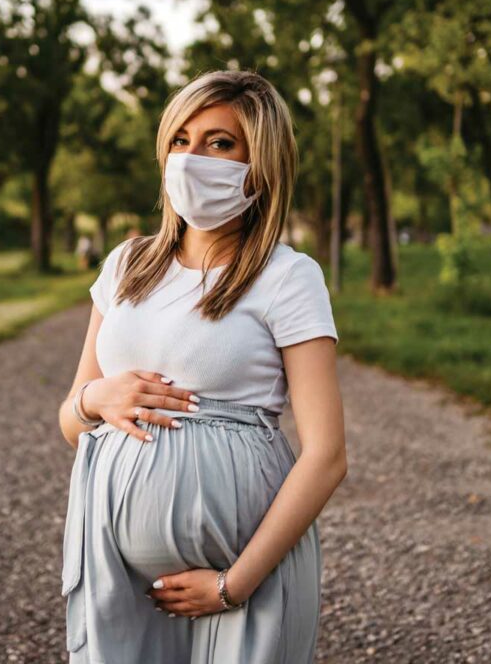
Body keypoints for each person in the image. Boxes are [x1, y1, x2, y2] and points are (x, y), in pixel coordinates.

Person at [56, 69, 347, 663]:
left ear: (259, 165)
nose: (192, 158)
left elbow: (327, 456)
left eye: (220, 143)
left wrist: (232, 584)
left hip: (242, 577)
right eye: (180, 140)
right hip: (119, 572)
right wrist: (95, 401)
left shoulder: (287, 277)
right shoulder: (126, 265)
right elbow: (69, 421)